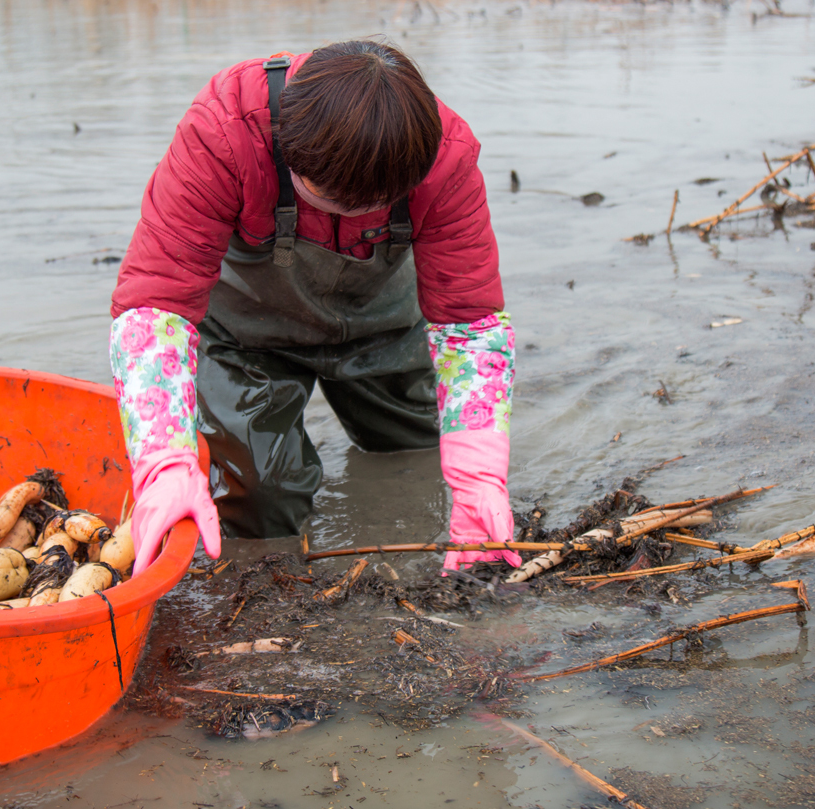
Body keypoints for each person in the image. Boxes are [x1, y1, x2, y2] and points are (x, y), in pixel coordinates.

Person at [108, 40, 521, 576]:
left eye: (374, 206)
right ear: (288, 149)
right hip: (245, 335)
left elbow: (469, 325)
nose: (357, 213)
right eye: (333, 200)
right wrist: (165, 461)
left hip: (384, 324)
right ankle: (270, 582)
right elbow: (155, 306)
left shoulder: (448, 157)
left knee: (416, 453)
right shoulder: (225, 129)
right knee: (260, 494)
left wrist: (479, 479)